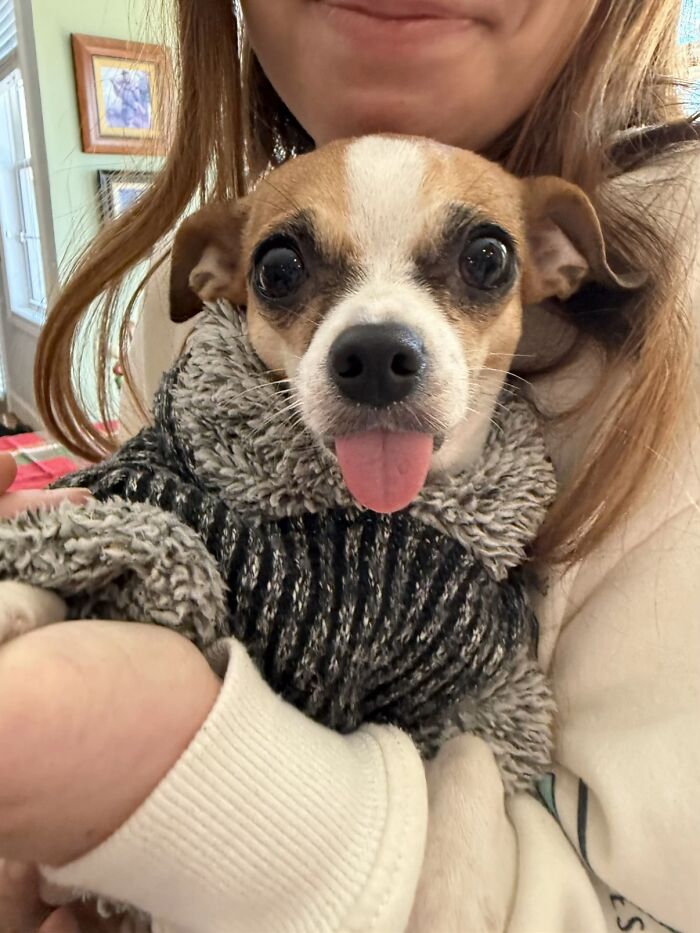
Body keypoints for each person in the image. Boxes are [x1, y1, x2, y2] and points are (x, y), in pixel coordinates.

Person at [1, 1, 699, 930]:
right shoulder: (178, 352)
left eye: (478, 262)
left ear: (554, 259)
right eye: (289, 274)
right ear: (223, 279)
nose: (379, 343)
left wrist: (162, 759)